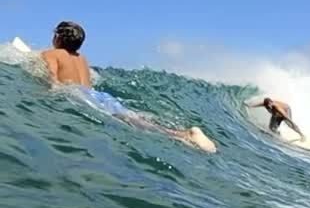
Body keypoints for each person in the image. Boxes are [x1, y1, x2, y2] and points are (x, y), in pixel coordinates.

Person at [40, 21, 217, 153]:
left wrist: (48, 92)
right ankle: (181, 134)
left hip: (79, 93)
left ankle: (184, 135)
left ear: (58, 37)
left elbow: (53, 78)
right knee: (131, 117)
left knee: (127, 121)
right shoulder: (82, 59)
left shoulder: (51, 53)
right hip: (99, 95)